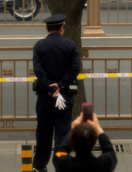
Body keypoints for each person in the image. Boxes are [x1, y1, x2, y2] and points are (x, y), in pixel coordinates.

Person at [32, 14, 81, 172]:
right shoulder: (71, 45)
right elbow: (74, 69)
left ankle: (39, 165)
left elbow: (38, 70)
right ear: (62, 28)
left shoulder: (39, 46)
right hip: (64, 96)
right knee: (62, 132)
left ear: (47, 28)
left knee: (44, 132)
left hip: (46, 96)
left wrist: (50, 87)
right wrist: (60, 85)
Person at [53, 112, 117, 172]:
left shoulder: (65, 164)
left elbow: (60, 151)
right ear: (94, 142)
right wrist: (98, 128)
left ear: (72, 143)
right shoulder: (102, 165)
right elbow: (110, 152)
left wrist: (72, 129)